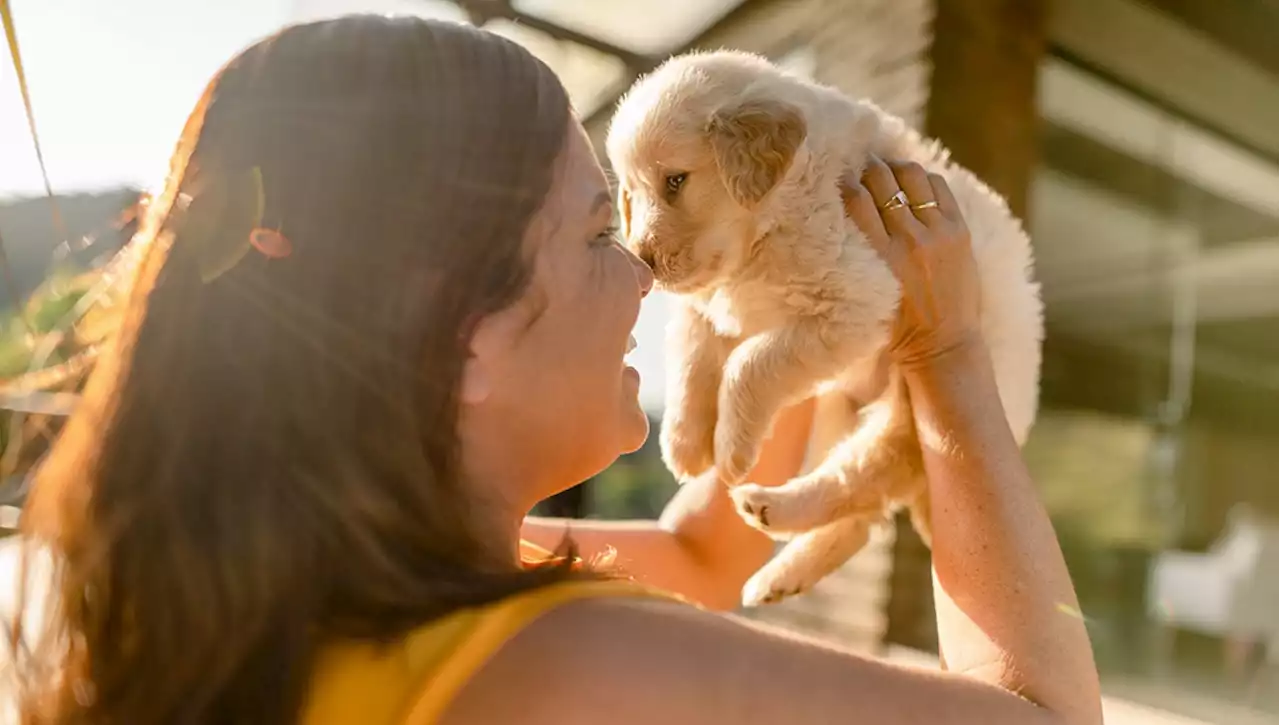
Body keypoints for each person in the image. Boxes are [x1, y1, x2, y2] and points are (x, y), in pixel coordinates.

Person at [8, 15, 1102, 725]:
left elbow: (708, 549)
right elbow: (1050, 714)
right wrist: (946, 352)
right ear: (464, 330)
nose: (639, 268)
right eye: (594, 232)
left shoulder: (286, 590)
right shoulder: (571, 666)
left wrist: (783, 249)